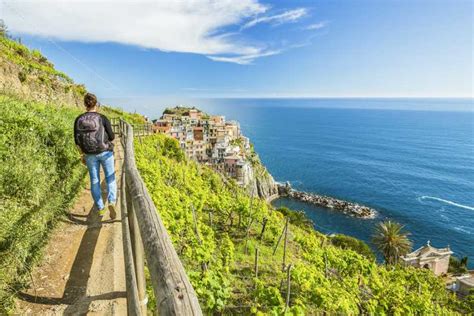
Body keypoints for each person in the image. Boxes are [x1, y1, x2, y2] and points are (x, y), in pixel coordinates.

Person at [74, 93, 117, 219]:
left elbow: (77, 141)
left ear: (85, 104)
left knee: (94, 181)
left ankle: (100, 208)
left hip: (89, 155)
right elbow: (112, 136)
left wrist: (82, 155)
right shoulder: (102, 118)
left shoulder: (78, 119)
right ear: (96, 104)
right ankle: (112, 201)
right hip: (105, 152)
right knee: (110, 178)